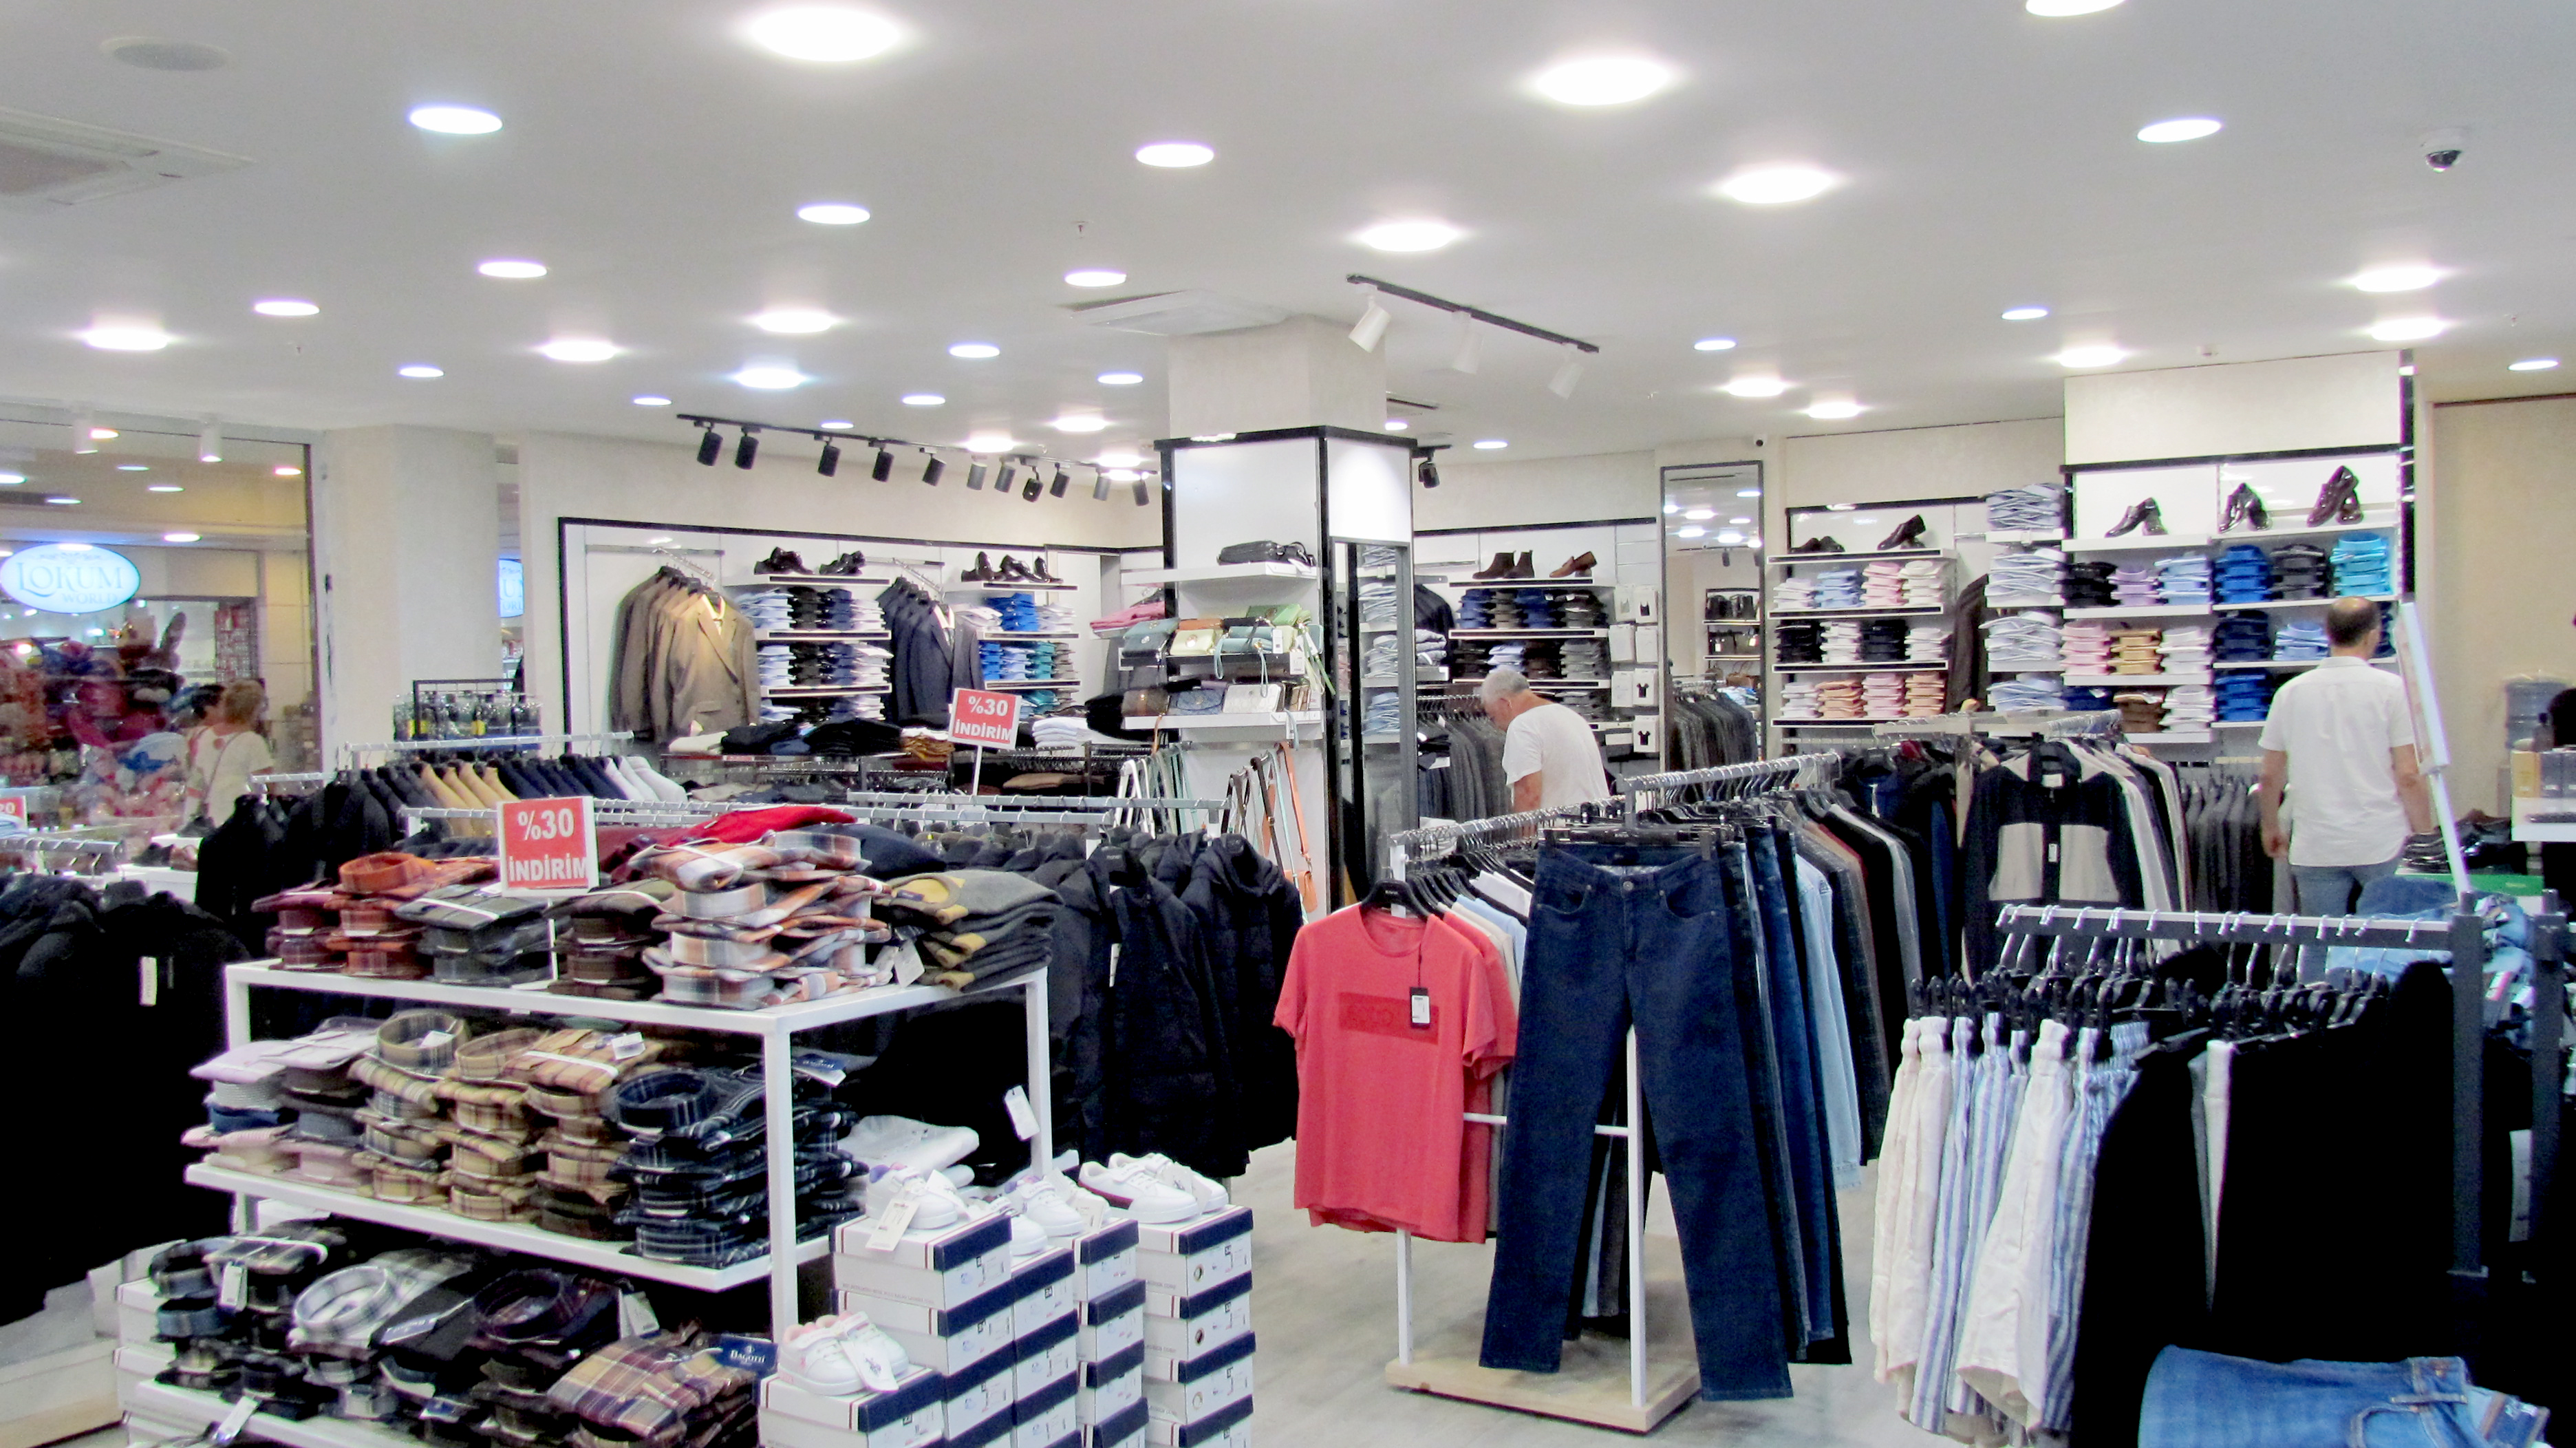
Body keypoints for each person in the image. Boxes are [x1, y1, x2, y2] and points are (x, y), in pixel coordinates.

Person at [2256, 598, 2433, 913]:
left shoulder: (2290, 693)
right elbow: (2408, 775)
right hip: (2381, 839)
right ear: (2374, 634)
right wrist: (2424, 836)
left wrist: (2271, 827)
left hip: (2317, 843)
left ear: (2327, 633)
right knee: (2392, 935)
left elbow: (2270, 776)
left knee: (2322, 938)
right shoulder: (2392, 690)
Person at [1478, 668, 1610, 813]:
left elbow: (1529, 795)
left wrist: (1523, 828)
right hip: (1597, 819)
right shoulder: (1571, 716)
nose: (1496, 726)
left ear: (1505, 703)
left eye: (1493, 717)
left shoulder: (1523, 726)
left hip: (1562, 824)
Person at [181, 680, 275, 828]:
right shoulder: (252, 741)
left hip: (212, 811)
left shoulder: (206, 736)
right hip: (242, 813)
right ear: (253, 710)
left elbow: (198, 775)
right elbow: (266, 783)